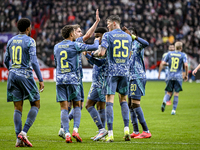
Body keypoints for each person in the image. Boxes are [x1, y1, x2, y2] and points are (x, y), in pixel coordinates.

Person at [58, 9, 100, 138]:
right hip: (74, 78)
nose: (81, 33)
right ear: (73, 33)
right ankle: (72, 129)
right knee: (77, 105)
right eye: (78, 31)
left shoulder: (57, 46)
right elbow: (89, 38)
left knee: (69, 106)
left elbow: (87, 35)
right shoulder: (76, 44)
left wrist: (96, 22)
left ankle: (64, 130)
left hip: (62, 78)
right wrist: (98, 39)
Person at [4, 18, 44, 147]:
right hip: (25, 75)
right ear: (28, 28)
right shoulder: (30, 41)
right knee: (36, 104)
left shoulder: (10, 41)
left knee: (17, 107)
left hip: (12, 74)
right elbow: (34, 62)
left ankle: (18, 140)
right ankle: (24, 132)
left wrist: (10, 69)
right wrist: (41, 79)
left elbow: (5, 59)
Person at [96, 15, 132, 142]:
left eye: (109, 23)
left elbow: (101, 53)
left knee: (109, 101)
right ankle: (127, 129)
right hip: (125, 72)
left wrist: (94, 53)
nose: (107, 26)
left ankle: (110, 133)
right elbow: (129, 54)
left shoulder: (107, 35)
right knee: (123, 100)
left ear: (115, 23)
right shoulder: (128, 36)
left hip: (112, 72)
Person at [122, 26, 151, 139]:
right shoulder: (126, 47)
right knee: (130, 105)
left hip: (137, 76)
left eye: (127, 34)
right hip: (129, 78)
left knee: (135, 103)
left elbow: (146, 43)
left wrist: (133, 36)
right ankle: (136, 131)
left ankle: (146, 130)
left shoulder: (137, 44)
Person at [83, 27, 108, 141]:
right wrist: (89, 56)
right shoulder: (100, 47)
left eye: (99, 36)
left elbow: (100, 62)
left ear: (104, 35)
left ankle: (101, 129)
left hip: (100, 82)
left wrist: (88, 56)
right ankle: (102, 133)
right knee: (101, 106)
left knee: (88, 105)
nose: (97, 38)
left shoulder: (105, 47)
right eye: (96, 36)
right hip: (102, 81)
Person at [160, 41, 188, 115]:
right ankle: (173, 110)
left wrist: (168, 64)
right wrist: (186, 75)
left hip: (170, 75)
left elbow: (162, 63)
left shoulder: (169, 54)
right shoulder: (183, 55)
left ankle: (164, 101)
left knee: (169, 92)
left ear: (175, 47)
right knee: (176, 93)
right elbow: (186, 65)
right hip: (178, 76)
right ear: (181, 48)